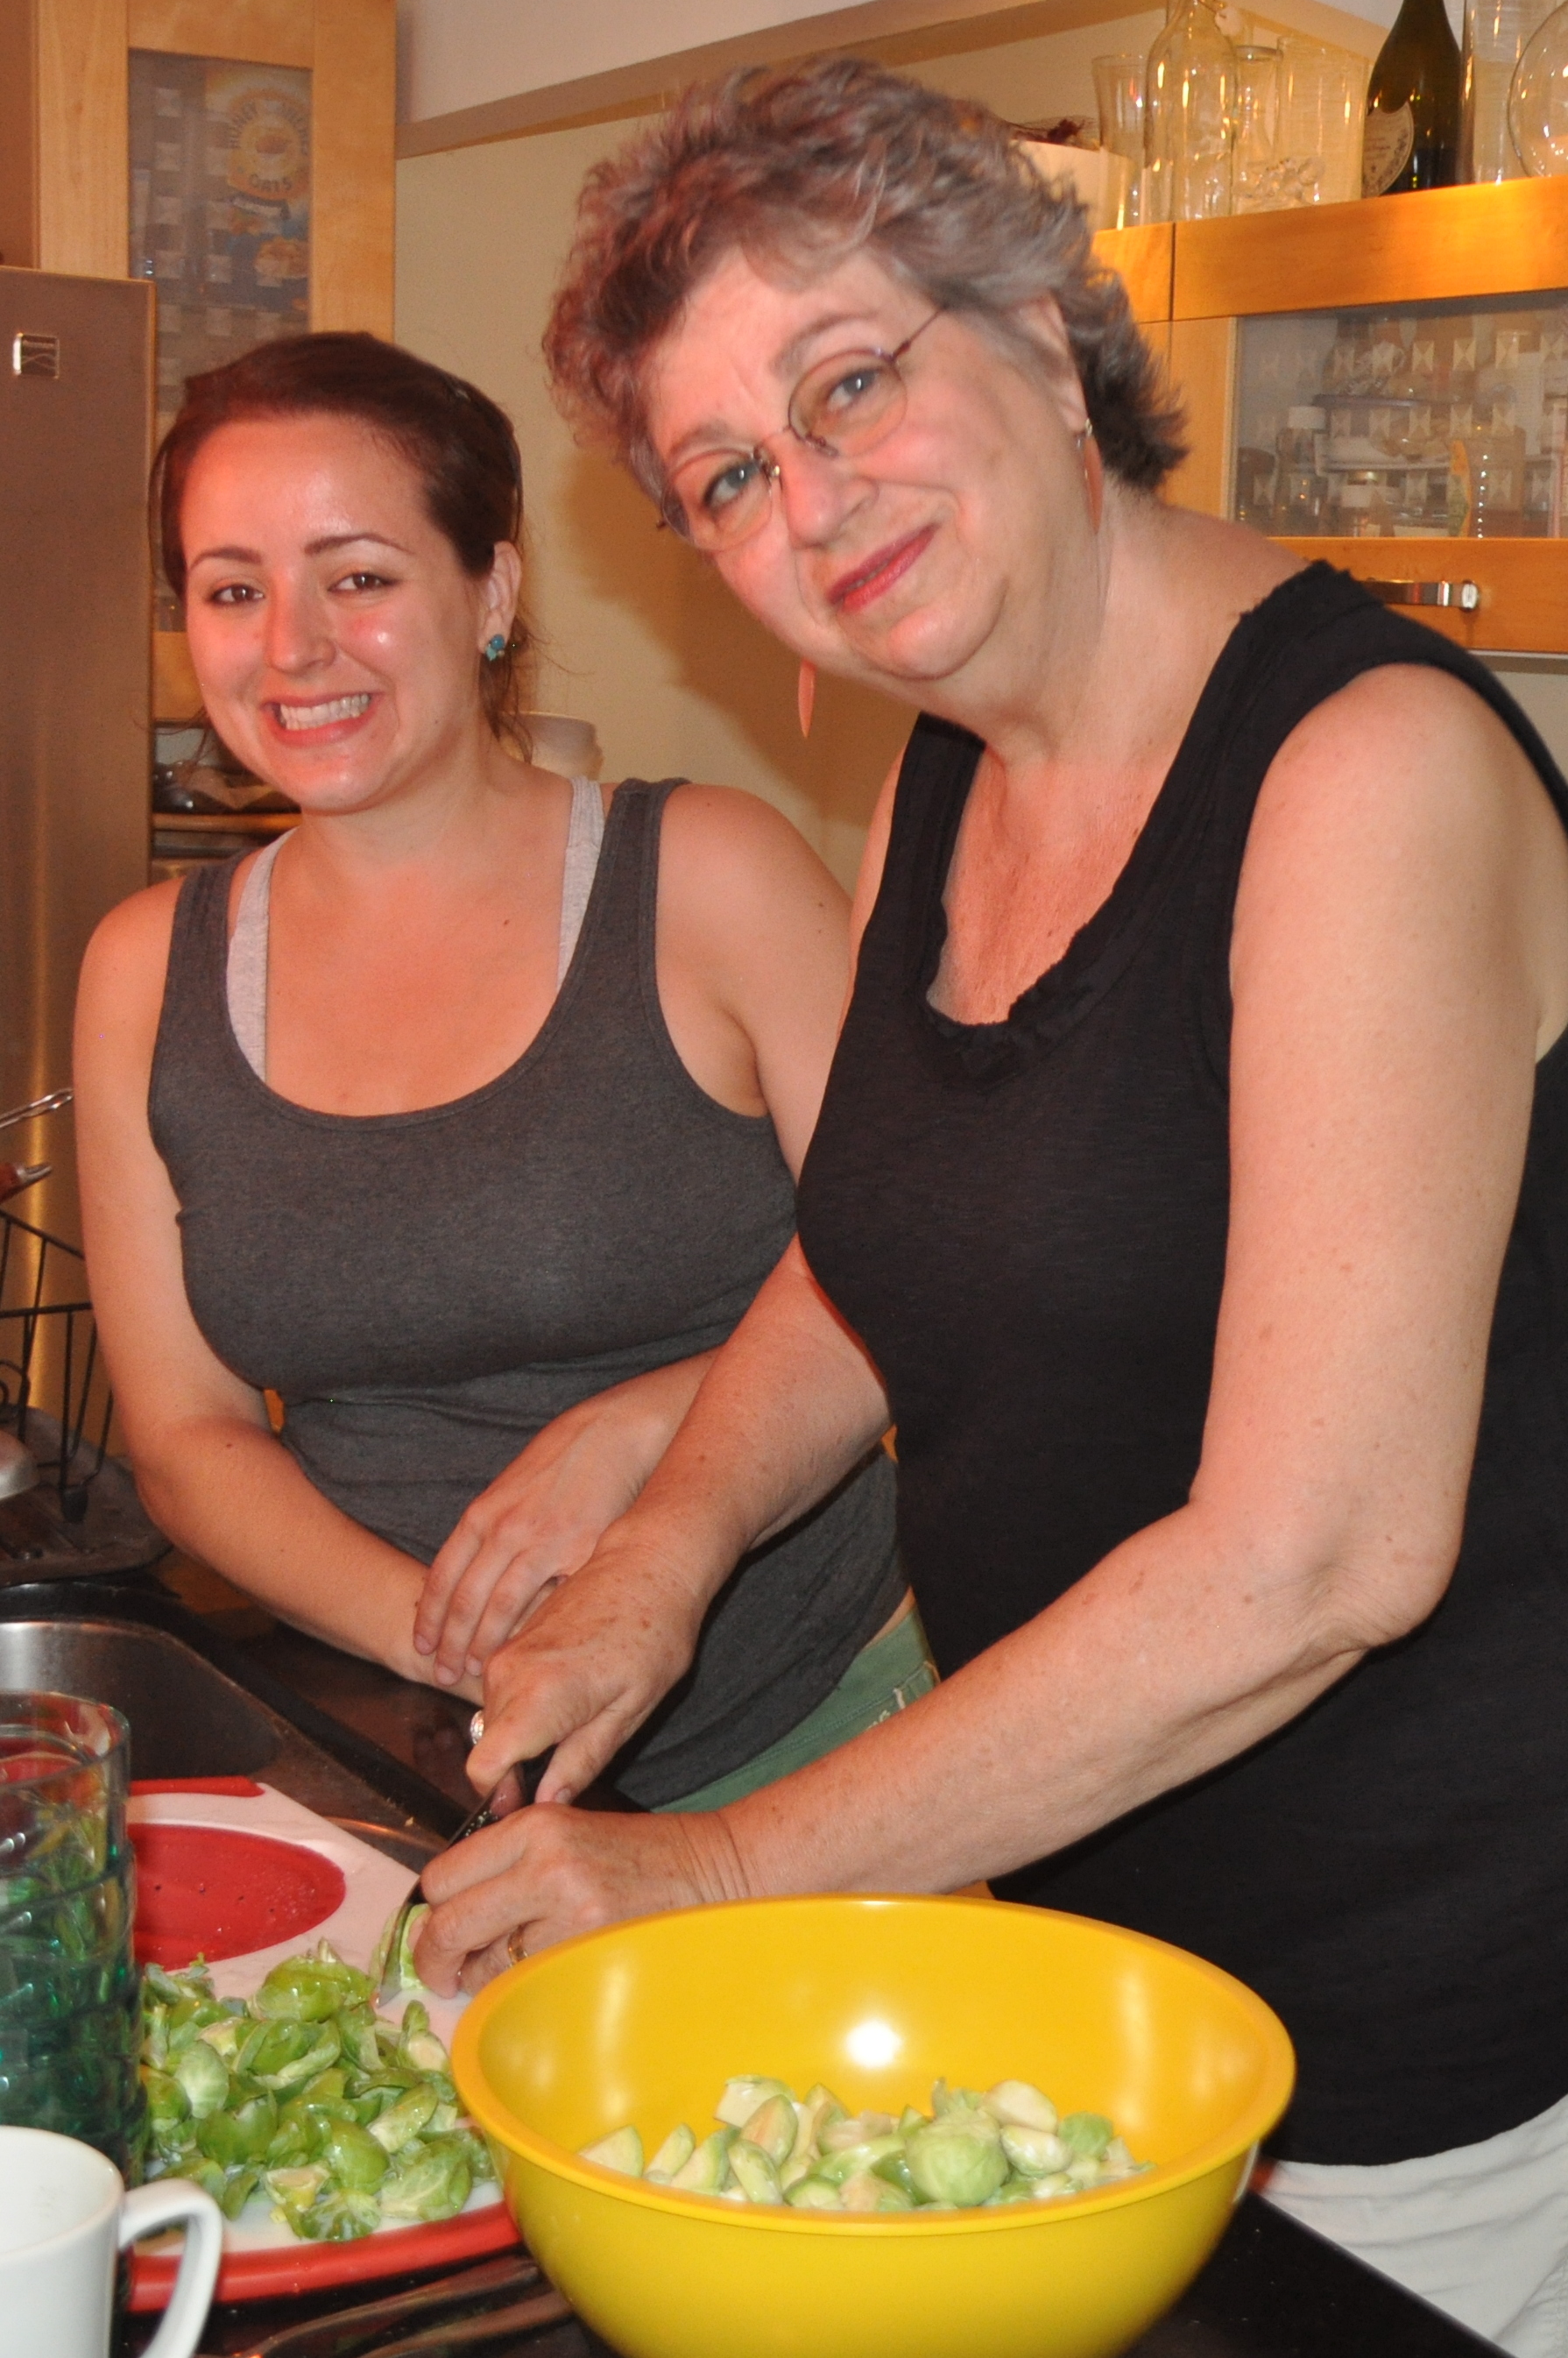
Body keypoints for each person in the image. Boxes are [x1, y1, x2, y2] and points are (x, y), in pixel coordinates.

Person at [410, 56, 1568, 2355]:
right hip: (1061, 1967)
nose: (809, 498)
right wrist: (665, 1545)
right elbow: (881, 1237)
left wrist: (721, 1866)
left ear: (1041, 334)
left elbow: (1320, 1554)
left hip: (1397, 2047)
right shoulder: (945, 772)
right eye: (729, 476)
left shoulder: (1363, 771)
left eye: (848, 383)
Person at [74, 329, 921, 1816]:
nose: (292, 647)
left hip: (805, 1753)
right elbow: (189, 1440)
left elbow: (931, 1265)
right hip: (403, 1752)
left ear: (493, 592)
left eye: (358, 577)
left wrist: (640, 1432)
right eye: (232, 590)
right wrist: (450, 1645)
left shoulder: (704, 879)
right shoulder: (148, 968)